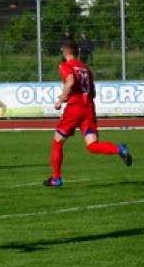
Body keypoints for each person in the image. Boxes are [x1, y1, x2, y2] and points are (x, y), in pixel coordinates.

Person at [44, 40, 132, 187]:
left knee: (57, 141)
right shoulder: (85, 68)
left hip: (75, 108)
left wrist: (61, 99)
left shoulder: (65, 65)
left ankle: (56, 178)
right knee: (92, 145)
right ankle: (119, 149)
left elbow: (70, 81)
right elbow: (93, 92)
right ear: (77, 52)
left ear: (64, 52)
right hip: (89, 108)